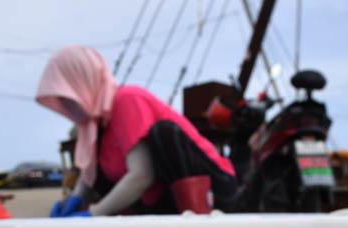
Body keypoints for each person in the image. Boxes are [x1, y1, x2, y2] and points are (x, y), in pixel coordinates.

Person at [36, 45, 236, 218]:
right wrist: (75, 199)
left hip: (215, 189)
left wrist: (93, 213)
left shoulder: (127, 99)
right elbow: (89, 175)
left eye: (67, 96)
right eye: (60, 101)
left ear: (82, 82)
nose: (65, 106)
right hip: (166, 202)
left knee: (163, 132)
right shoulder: (95, 127)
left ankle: (198, 220)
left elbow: (142, 175)